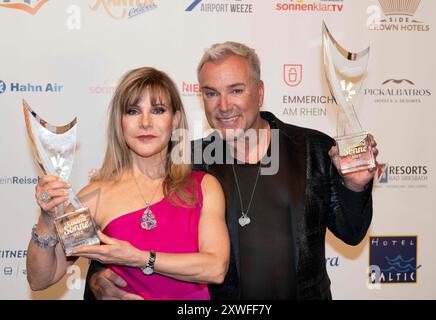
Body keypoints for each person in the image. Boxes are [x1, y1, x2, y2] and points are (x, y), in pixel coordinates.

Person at [85, 42, 378, 300]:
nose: (224, 106)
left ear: (259, 93)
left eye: (236, 90)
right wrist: (98, 278)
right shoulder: (187, 161)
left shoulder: (312, 148)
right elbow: (131, 230)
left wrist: (355, 187)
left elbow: (351, 233)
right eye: (211, 93)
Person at [27, 67, 230, 300]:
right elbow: (42, 278)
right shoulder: (96, 196)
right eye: (133, 111)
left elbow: (215, 268)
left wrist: (139, 258)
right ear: (120, 122)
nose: (145, 122)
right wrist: (46, 219)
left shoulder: (203, 186)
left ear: (175, 121)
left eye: (158, 110)